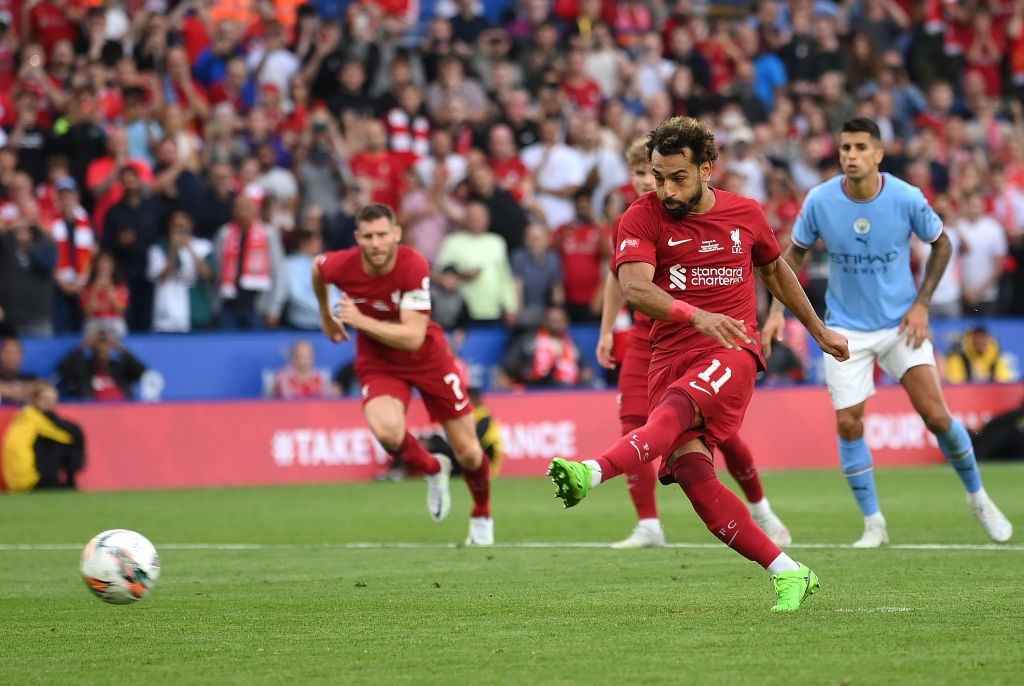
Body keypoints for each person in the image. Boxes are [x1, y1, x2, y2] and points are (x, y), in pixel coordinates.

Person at [547, 116, 849, 612]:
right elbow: (634, 288)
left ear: (706, 169)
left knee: (672, 411)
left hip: (733, 349)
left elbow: (775, 270)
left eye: (677, 178)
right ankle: (789, 571)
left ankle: (592, 472)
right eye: (658, 177)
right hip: (669, 355)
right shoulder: (639, 218)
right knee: (695, 478)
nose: (665, 189)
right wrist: (695, 315)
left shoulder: (746, 214)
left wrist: (818, 330)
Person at [764, 117, 1013, 548]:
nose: (851, 155)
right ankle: (874, 524)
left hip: (900, 323)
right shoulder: (821, 201)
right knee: (848, 424)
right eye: (845, 148)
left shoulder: (905, 196)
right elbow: (793, 257)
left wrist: (922, 304)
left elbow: (942, 243)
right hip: (844, 328)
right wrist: (774, 313)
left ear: (878, 154)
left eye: (860, 147)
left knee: (936, 415)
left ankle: (978, 497)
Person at [594, 137, 792, 549]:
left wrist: (775, 316)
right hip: (648, 340)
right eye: (643, 174)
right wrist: (607, 329)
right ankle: (648, 523)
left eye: (658, 175)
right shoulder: (635, 220)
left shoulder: (714, 212)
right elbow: (622, 282)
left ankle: (762, 509)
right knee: (636, 423)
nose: (651, 183)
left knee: (714, 431)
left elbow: (771, 268)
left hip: (702, 337)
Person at [313, 204, 493, 545]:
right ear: (357, 238)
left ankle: (482, 513)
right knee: (388, 433)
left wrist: (359, 321)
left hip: (427, 357)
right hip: (380, 361)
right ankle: (432, 469)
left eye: (383, 234)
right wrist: (325, 315)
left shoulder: (413, 264)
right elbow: (317, 269)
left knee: (469, 452)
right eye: (368, 236)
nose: (377, 243)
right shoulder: (342, 265)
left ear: (396, 233)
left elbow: (412, 336)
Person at [2, 383, 86, 492]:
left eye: (53, 399)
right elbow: (70, 436)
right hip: (28, 480)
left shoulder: (24, 415)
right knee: (62, 443)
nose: (49, 403)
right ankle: (67, 483)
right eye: (46, 399)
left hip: (15, 480)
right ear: (35, 400)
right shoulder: (36, 419)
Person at [57, 328, 147, 401]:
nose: (102, 347)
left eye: (105, 343)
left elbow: (141, 371)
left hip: (122, 408)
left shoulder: (119, 367)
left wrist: (120, 348)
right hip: (94, 411)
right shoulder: (83, 368)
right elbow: (62, 371)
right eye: (98, 343)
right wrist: (83, 346)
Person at [944, 326, 1016, 384]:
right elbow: (955, 385)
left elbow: (1003, 384)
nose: (980, 342)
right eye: (977, 338)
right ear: (970, 340)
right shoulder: (958, 359)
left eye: (983, 338)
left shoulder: (997, 359)